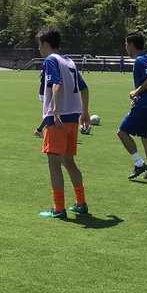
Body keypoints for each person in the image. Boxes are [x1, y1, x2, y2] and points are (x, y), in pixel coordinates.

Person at [36, 25, 91, 218]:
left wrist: (56, 112)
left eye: (39, 44)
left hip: (58, 119)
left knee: (54, 162)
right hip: (73, 118)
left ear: (44, 43)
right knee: (69, 161)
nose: (39, 49)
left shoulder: (51, 60)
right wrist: (85, 112)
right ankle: (81, 202)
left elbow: (56, 84)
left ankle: (59, 208)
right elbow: (84, 88)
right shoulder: (69, 61)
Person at [118, 31, 147, 181]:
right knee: (146, 138)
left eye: (126, 45)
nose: (126, 48)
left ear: (131, 45)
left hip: (146, 105)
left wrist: (136, 92)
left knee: (122, 132)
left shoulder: (140, 61)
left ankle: (139, 163)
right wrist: (140, 96)